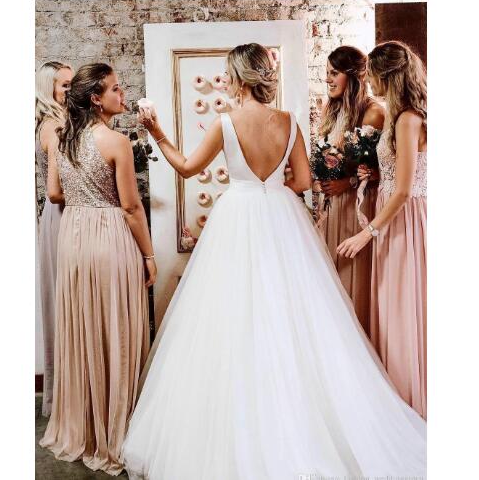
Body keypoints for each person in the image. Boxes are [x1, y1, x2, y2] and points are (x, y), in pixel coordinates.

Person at [122, 43, 425, 480]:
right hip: (283, 218)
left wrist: (157, 132)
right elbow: (302, 180)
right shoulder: (288, 121)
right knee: (293, 316)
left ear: (239, 78)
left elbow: (186, 168)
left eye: (229, 74)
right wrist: (272, 182)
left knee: (233, 316)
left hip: (238, 215)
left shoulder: (226, 123)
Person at [39, 63, 156, 475]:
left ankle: (83, 428)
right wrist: (149, 256)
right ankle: (116, 429)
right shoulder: (116, 142)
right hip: (109, 236)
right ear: (96, 98)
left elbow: (54, 193)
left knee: (84, 327)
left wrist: (81, 197)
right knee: (117, 328)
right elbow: (131, 207)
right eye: (116, 89)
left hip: (73, 239)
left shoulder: (62, 139)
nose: (123, 94)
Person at [338, 41, 427, 419]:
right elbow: (400, 174)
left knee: (402, 310)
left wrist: (366, 234)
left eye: (372, 74)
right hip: (391, 216)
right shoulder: (398, 116)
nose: (369, 81)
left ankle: (409, 408)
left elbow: (406, 189)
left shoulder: (407, 118)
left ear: (387, 76)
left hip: (402, 221)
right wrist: (376, 175)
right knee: (391, 307)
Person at [316, 46, 384, 334]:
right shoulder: (330, 109)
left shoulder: (373, 113)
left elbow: (383, 171)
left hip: (359, 206)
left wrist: (348, 183)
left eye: (334, 73)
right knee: (329, 279)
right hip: (333, 205)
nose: (328, 79)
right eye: (326, 73)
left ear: (353, 76)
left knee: (351, 279)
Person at [35, 60, 73, 417]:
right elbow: (57, 189)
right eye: (64, 85)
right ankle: (65, 397)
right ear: (49, 89)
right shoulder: (54, 127)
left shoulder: (62, 122)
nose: (71, 90)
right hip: (62, 215)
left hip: (64, 213)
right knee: (65, 300)